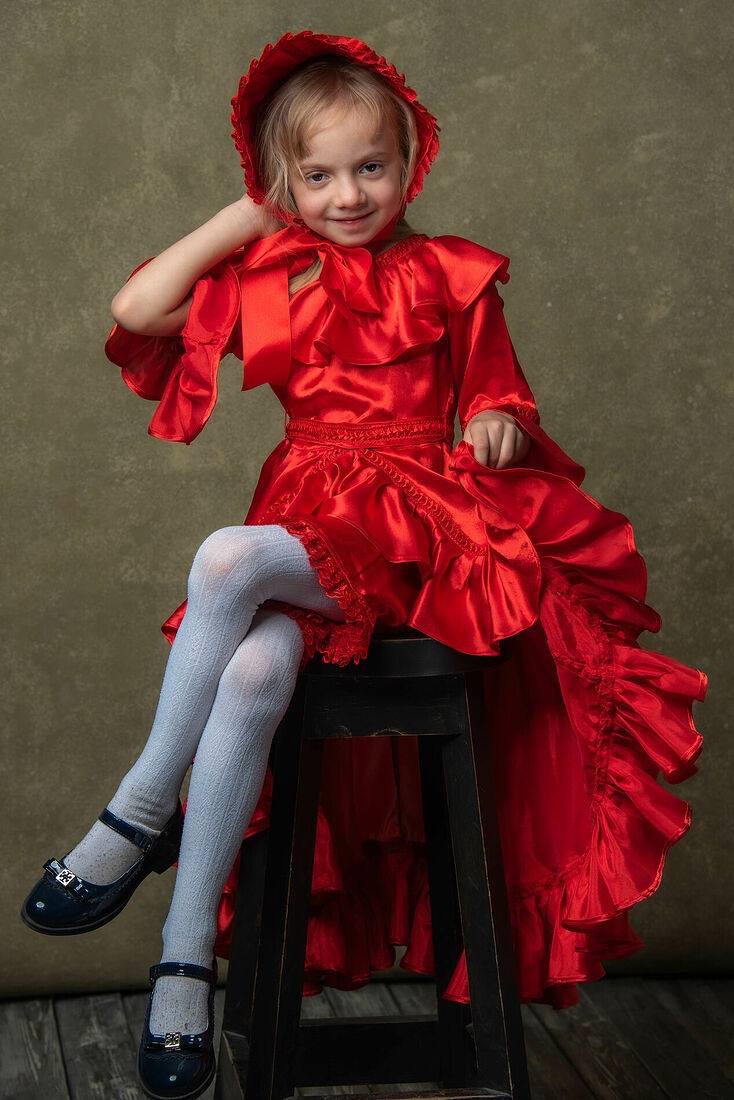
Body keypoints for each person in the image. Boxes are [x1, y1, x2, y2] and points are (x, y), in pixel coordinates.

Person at [21, 30, 706, 1100]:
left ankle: (141, 810)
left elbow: (500, 390)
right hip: (309, 524)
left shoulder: (448, 272)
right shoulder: (276, 270)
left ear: (409, 161)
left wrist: (492, 420)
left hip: (419, 530)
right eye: (318, 175)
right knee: (253, 670)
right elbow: (138, 311)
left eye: (370, 167)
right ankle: (183, 959)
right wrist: (247, 217)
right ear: (284, 182)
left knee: (224, 557)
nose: (348, 195)